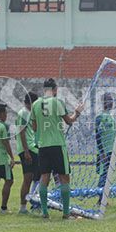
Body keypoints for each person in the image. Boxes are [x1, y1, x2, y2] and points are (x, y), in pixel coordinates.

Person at [30, 78, 84, 219]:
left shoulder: (35, 104)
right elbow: (69, 121)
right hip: (57, 145)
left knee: (44, 177)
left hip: (43, 146)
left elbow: (34, 127)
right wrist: (77, 112)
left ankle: (44, 212)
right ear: (55, 90)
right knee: (64, 178)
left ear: (44, 89)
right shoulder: (58, 102)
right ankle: (66, 213)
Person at [15, 92, 40, 214]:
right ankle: (23, 207)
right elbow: (21, 132)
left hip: (33, 148)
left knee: (38, 176)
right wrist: (26, 151)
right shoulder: (23, 113)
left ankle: (35, 203)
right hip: (28, 149)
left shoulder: (30, 113)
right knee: (28, 178)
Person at [95, 93, 116, 203]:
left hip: (111, 151)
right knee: (104, 175)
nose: (111, 102)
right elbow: (97, 136)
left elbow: (113, 135)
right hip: (104, 151)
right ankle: (100, 199)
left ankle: (103, 198)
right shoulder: (100, 117)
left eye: (112, 100)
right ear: (104, 103)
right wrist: (102, 152)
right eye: (109, 100)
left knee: (107, 174)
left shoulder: (111, 116)